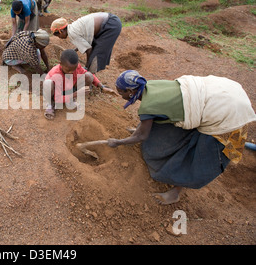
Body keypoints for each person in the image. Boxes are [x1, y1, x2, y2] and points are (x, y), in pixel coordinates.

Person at [105, 70, 256, 205]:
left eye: (121, 93)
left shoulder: (147, 108)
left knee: (199, 156)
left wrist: (118, 142)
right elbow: (155, 115)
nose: (121, 96)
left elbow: (143, 135)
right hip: (224, 91)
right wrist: (139, 131)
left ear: (131, 92)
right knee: (161, 130)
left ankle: (176, 192)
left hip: (226, 113)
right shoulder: (151, 85)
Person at [43, 49, 116, 120]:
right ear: (61, 64)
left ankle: (70, 100)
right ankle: (50, 104)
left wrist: (102, 87)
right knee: (48, 83)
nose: (71, 72)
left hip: (68, 89)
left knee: (88, 76)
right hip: (55, 94)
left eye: (73, 69)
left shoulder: (75, 67)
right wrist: (76, 93)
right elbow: (58, 98)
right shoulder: (56, 74)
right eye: (68, 70)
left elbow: (89, 75)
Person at [50, 12, 121, 74]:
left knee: (96, 56)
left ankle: (89, 78)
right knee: (95, 49)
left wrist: (87, 66)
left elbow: (88, 50)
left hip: (109, 26)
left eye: (58, 36)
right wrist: (75, 50)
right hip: (110, 20)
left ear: (61, 31)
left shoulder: (72, 34)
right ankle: (90, 75)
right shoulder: (73, 27)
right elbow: (85, 41)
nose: (59, 38)